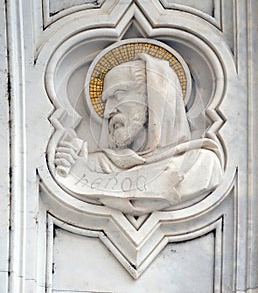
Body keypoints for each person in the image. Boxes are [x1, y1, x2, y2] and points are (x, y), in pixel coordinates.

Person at [55, 53, 222, 214]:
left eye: (118, 94)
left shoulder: (202, 165)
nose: (108, 112)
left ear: (154, 97)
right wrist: (72, 166)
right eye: (107, 102)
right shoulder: (97, 164)